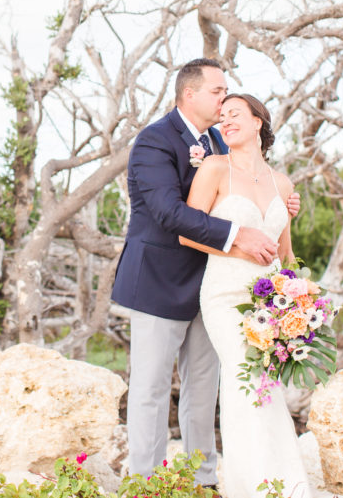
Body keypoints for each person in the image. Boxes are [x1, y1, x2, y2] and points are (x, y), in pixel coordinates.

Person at [111, 59, 299, 486]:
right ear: (189, 94)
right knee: (151, 388)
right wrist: (239, 234)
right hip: (158, 280)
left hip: (214, 285)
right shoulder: (154, 141)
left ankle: (203, 480)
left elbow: (240, 189)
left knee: (204, 388)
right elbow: (166, 211)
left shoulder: (219, 141)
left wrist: (280, 205)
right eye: (218, 91)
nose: (224, 99)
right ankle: (147, 483)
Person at [180, 93, 310, 498]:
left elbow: (285, 253)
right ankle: (250, 486)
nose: (226, 120)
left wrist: (299, 302)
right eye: (222, 117)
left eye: (236, 114)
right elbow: (188, 232)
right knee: (243, 380)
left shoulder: (282, 183)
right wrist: (239, 247)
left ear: (259, 122)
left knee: (267, 383)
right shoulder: (215, 169)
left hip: (270, 302)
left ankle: (286, 482)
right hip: (223, 295)